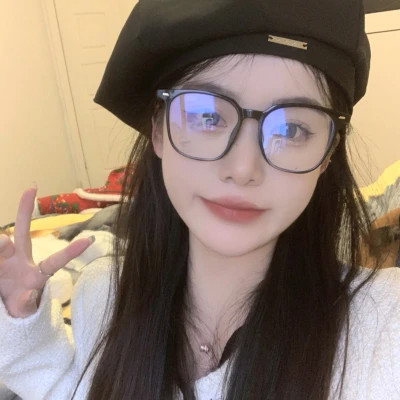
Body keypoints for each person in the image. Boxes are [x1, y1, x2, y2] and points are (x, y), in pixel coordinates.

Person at [0, 0, 399, 399]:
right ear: (158, 129)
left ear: (328, 154)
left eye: (292, 129)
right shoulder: (104, 294)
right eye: (208, 116)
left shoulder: (383, 325)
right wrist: (25, 329)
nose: (242, 169)